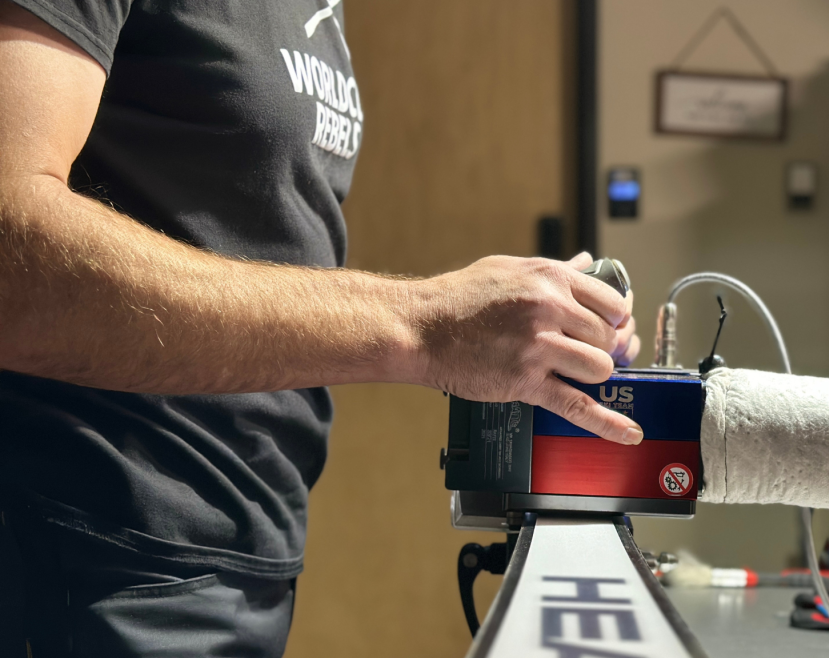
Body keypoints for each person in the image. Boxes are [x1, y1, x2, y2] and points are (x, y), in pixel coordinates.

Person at [0, 0, 641, 654]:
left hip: (245, 547)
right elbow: (10, 255)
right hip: (90, 545)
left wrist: (538, 329)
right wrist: (427, 325)